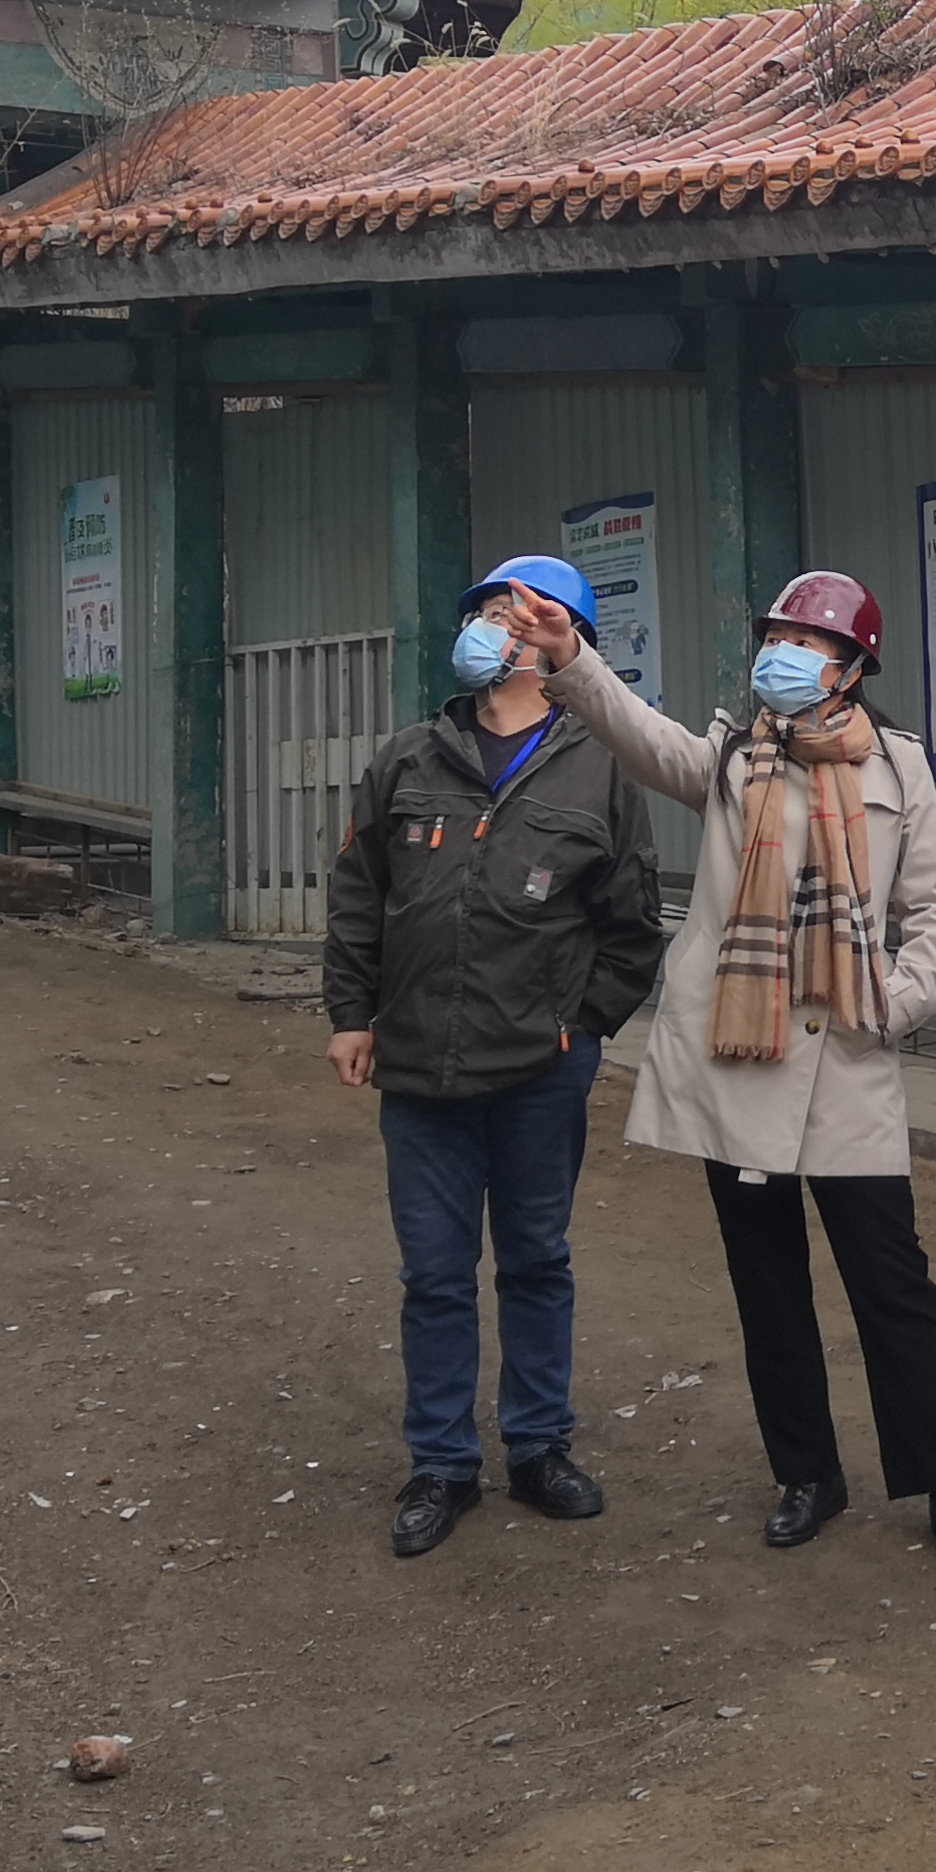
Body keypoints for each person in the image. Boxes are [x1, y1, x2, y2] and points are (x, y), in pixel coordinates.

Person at [519, 564, 936, 1569]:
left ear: (851, 667)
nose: (781, 656)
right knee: (768, 1284)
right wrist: (572, 660)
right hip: (745, 1054)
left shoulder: (899, 767)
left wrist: (898, 999)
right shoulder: (735, 756)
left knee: (892, 1282)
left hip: (850, 1058)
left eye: (805, 642)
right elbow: (642, 737)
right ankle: (807, 1475)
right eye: (774, 639)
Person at [322, 552, 665, 1560]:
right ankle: (441, 1464)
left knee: (535, 1261)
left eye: (515, 618)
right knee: (434, 1273)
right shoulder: (408, 758)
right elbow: (359, 892)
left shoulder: (602, 765)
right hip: (419, 1063)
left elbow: (633, 922)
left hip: (539, 1069)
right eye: (484, 613)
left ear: (563, 643)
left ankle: (538, 1447)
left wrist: (579, 1027)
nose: (491, 630)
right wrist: (350, 1013)